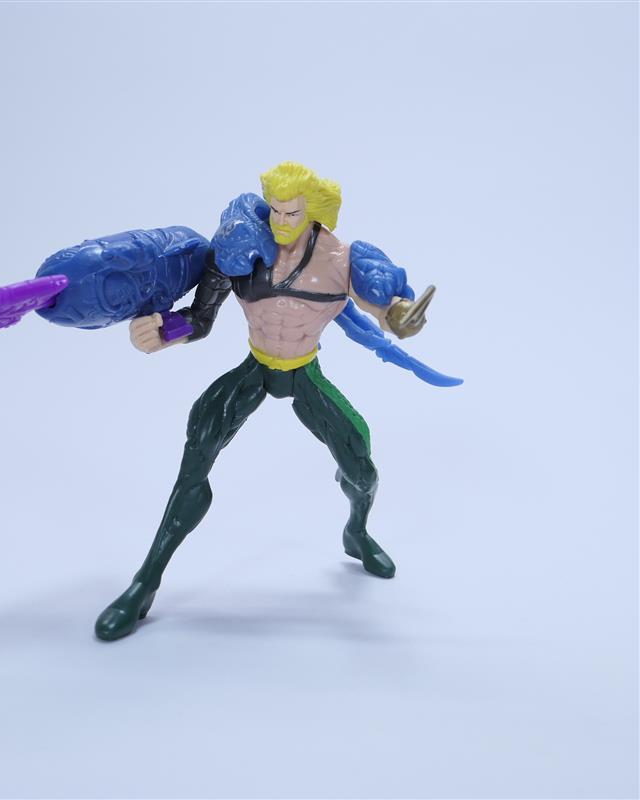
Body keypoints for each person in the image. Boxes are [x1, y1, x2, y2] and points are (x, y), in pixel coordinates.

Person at [95, 162, 430, 642]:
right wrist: (161, 333)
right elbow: (200, 318)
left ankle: (356, 532)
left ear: (312, 213)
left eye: (291, 213)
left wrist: (399, 316)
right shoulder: (241, 251)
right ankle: (145, 582)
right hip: (255, 369)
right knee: (195, 456)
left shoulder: (340, 260)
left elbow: (385, 307)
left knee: (362, 469)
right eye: (274, 210)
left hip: (304, 373)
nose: (280, 222)